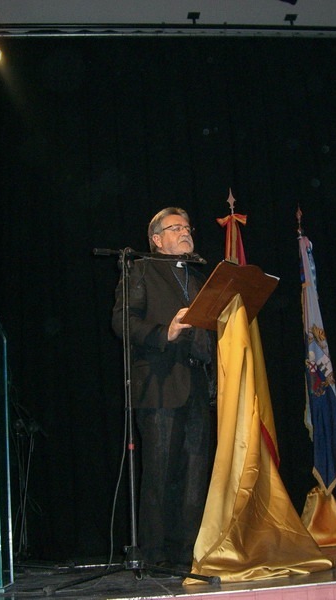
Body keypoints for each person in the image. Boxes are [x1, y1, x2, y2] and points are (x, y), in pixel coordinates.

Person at [111, 207, 214, 573]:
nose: (185, 232)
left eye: (188, 227)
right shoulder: (141, 270)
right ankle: (154, 556)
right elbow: (123, 322)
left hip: (198, 385)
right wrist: (163, 333)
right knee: (159, 472)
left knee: (195, 474)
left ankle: (186, 554)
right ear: (156, 239)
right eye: (175, 228)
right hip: (159, 385)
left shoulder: (200, 277)